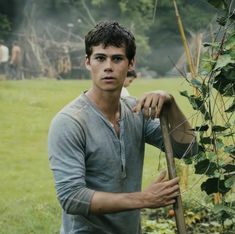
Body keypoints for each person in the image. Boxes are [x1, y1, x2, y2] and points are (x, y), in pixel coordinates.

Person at [48, 21, 198, 234]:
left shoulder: (136, 113)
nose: (108, 66)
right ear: (88, 62)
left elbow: (189, 149)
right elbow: (71, 198)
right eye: (100, 58)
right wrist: (144, 198)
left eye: (117, 58)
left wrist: (171, 103)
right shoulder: (70, 122)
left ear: (130, 64)